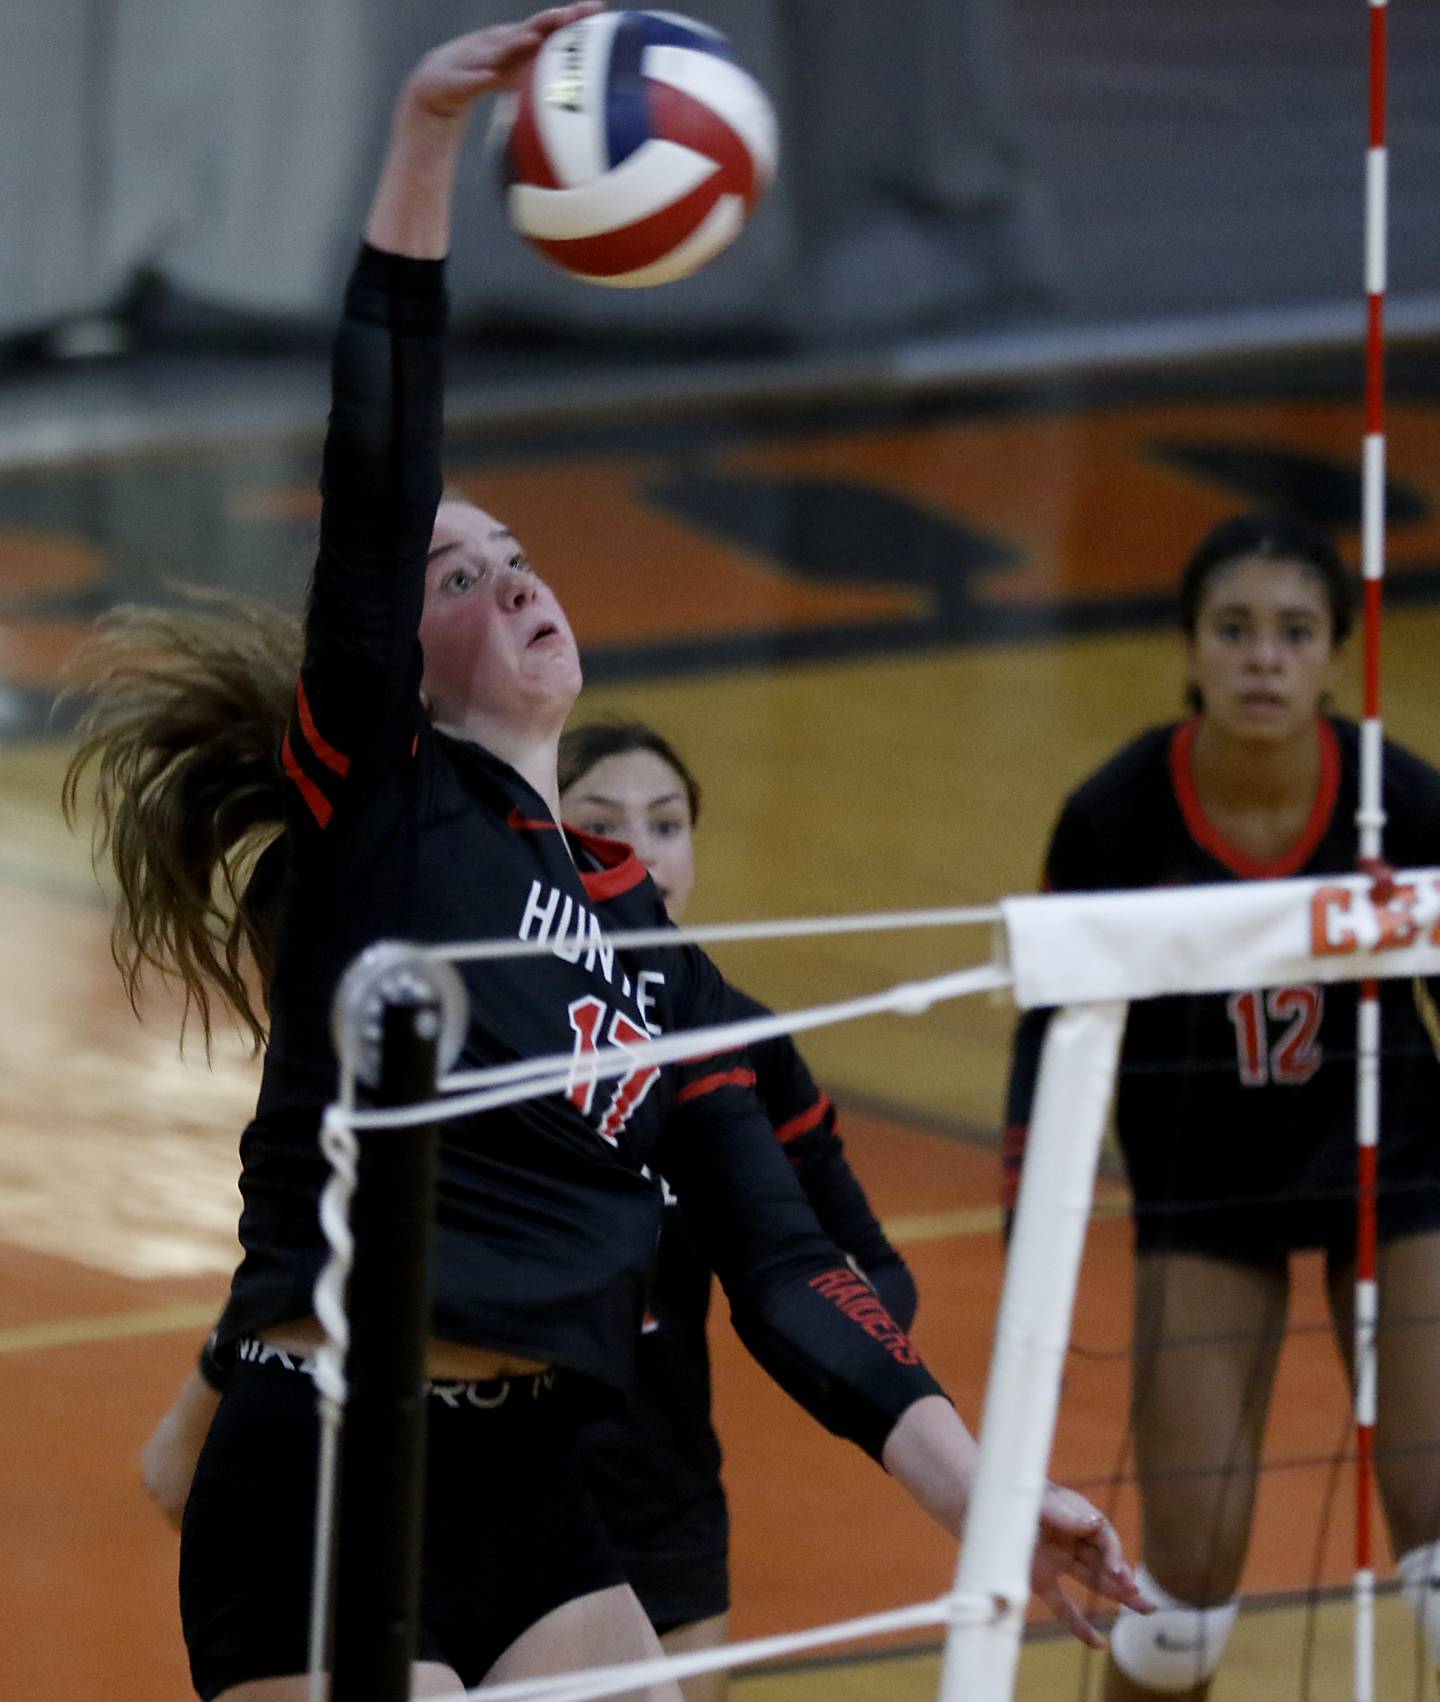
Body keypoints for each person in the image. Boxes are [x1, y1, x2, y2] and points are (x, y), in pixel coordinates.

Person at [68, 17, 1149, 1700]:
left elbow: (792, 1275)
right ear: (390, 652)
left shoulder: (660, 965)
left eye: (517, 556)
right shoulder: (381, 807)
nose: (506, 579)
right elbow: (382, 454)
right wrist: (428, 140)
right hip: (327, 1461)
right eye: (453, 576)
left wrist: (997, 1504)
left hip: (527, 1487)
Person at [140, 717, 916, 1702]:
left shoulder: (728, 1034)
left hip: (642, 1503)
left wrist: (822, 1338)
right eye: (604, 825)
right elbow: (345, 1233)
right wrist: (207, 1389)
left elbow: (837, 1264)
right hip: (477, 1454)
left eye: (668, 823)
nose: (642, 852)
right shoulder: (492, 1026)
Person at [1001, 511, 1440, 1701]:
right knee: (1181, 1603)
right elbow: (1048, 1032)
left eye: (1295, 632)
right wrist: (1025, 1218)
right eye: (1234, 629)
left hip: (1392, 1175)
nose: (1263, 657)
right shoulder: (1116, 817)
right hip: (1206, 1192)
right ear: (1190, 648)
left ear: (1337, 654)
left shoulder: (1401, 800)